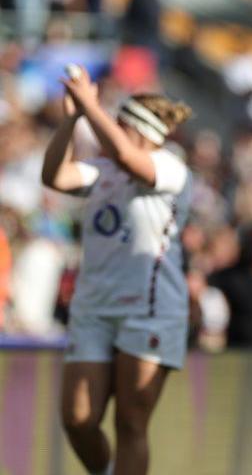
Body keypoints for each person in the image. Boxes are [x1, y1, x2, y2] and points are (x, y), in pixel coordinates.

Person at [42, 66, 193, 475]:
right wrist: (72, 117)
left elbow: (130, 159)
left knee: (130, 422)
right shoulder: (102, 170)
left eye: (119, 123)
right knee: (77, 419)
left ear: (141, 132)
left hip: (150, 308)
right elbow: (54, 175)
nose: (108, 130)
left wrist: (90, 104)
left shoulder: (170, 165)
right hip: (93, 308)